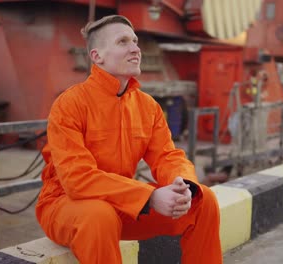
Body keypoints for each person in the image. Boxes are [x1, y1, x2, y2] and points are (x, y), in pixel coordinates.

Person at [35, 15, 222, 263]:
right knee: (98, 215)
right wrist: (150, 197)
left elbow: (168, 156)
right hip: (66, 205)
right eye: (123, 42)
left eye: (135, 41)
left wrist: (182, 185)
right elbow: (76, 179)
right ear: (96, 56)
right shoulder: (70, 105)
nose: (135, 48)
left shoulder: (147, 106)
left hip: (123, 204)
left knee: (203, 200)